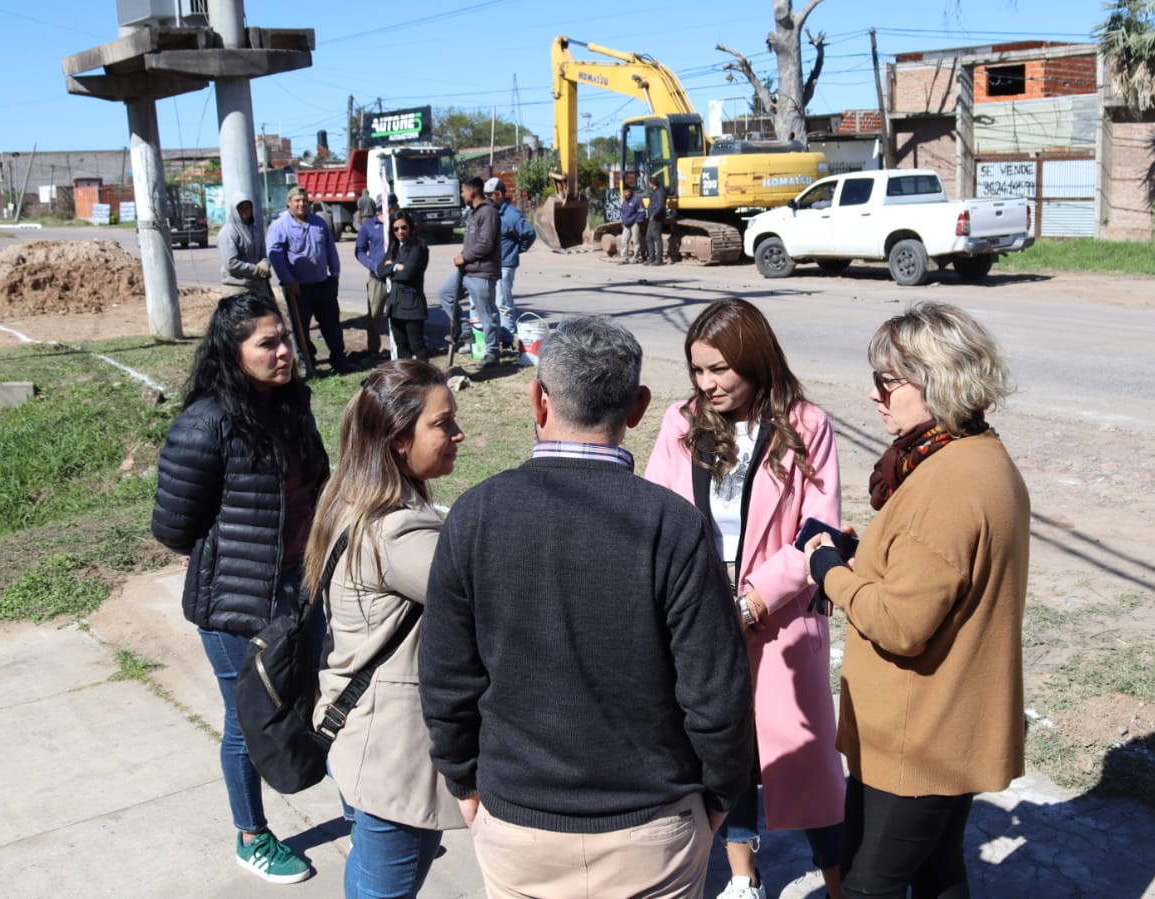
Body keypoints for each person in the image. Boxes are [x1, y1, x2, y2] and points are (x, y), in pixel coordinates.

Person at [420, 316, 755, 898]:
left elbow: (447, 677)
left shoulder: (475, 514)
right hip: (652, 835)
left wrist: (465, 785)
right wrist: (720, 799)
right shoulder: (674, 525)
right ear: (638, 407)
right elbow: (717, 693)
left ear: (537, 399)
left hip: (519, 827)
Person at [802, 301, 1029, 899]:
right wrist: (864, 557)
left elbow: (902, 623)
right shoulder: (976, 453)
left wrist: (829, 570)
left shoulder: (949, 481)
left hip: (918, 737)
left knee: (867, 886)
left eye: (888, 382)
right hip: (942, 727)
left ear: (937, 380)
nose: (877, 396)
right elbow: (932, 573)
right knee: (937, 874)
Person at [644, 298, 846, 899]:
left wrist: (753, 601)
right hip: (698, 613)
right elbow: (656, 511)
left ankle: (841, 883)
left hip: (778, 620)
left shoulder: (808, 426)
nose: (707, 385)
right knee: (724, 753)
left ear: (755, 361)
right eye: (698, 371)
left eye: (719, 371)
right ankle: (742, 877)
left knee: (807, 764)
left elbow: (819, 531)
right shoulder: (680, 422)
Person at [150, 292, 330, 886]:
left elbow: (318, 483)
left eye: (285, 338)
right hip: (237, 603)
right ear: (235, 352)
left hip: (300, 585)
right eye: (268, 343)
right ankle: (251, 836)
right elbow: (172, 526)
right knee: (246, 719)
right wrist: (218, 554)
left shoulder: (291, 403)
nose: (284, 352)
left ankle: (349, 796)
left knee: (313, 694)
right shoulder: (206, 423)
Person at [306, 359, 466, 898]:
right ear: (399, 440)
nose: (457, 434)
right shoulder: (399, 533)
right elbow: (493, 598)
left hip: (359, 732)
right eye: (442, 423)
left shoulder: (352, 497)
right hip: (389, 755)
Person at [268, 186, 360, 375]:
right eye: (297, 200)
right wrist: (288, 280)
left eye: (305, 200)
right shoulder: (280, 226)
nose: (302, 204)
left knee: (332, 325)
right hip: (298, 288)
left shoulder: (319, 223)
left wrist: (334, 275)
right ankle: (307, 363)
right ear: (289, 203)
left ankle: (339, 361)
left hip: (323, 284)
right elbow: (276, 257)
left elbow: (330, 250)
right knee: (300, 327)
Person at [437, 176, 501, 366]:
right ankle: (464, 329)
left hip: (482, 272)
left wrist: (465, 257)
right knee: (446, 295)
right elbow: (474, 241)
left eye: (463, 191)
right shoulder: (473, 213)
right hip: (467, 270)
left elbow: (486, 244)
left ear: (472, 191)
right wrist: (463, 255)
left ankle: (492, 353)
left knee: (487, 313)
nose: (462, 194)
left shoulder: (488, 213)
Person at [485, 176, 535, 348]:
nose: (486, 198)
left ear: (498, 194)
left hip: (505, 265)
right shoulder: (492, 213)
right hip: (493, 264)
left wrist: (518, 249)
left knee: (503, 303)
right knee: (492, 302)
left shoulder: (512, 215)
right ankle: (500, 335)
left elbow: (529, 233)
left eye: (489, 195)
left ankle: (508, 339)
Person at [379, 211, 431, 362]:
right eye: (396, 229)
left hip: (412, 303)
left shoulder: (418, 246)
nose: (400, 232)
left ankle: (425, 380)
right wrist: (396, 267)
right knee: (401, 346)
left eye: (403, 227)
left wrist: (391, 270)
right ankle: (408, 381)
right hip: (395, 304)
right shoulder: (393, 248)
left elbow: (408, 274)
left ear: (410, 227)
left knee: (417, 345)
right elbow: (380, 270)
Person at [354, 195, 389, 360]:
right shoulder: (368, 226)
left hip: (397, 278)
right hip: (377, 279)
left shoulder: (398, 225)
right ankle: (374, 351)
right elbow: (359, 251)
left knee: (400, 315)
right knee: (374, 317)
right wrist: (373, 266)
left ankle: (402, 349)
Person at [218, 195, 272, 298]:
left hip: (257, 287)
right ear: (234, 210)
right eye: (241, 208)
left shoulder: (254, 230)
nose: (245, 210)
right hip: (237, 289)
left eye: (247, 207)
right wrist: (255, 269)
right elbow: (231, 263)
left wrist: (265, 263)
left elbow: (263, 255)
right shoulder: (229, 232)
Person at [619, 183, 647, 264]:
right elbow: (623, 212)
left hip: (634, 223)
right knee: (623, 241)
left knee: (635, 241)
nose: (626, 194)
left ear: (631, 191)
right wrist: (623, 221)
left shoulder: (637, 199)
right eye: (624, 192)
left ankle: (635, 258)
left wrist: (638, 222)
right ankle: (624, 258)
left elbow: (641, 211)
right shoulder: (624, 201)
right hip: (626, 224)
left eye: (627, 192)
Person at [646, 174, 670, 266]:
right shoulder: (655, 192)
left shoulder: (660, 192)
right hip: (652, 218)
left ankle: (659, 259)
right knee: (648, 237)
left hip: (656, 218)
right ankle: (651, 258)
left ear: (652, 183)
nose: (649, 185)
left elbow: (660, 206)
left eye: (649, 183)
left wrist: (654, 214)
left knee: (657, 238)